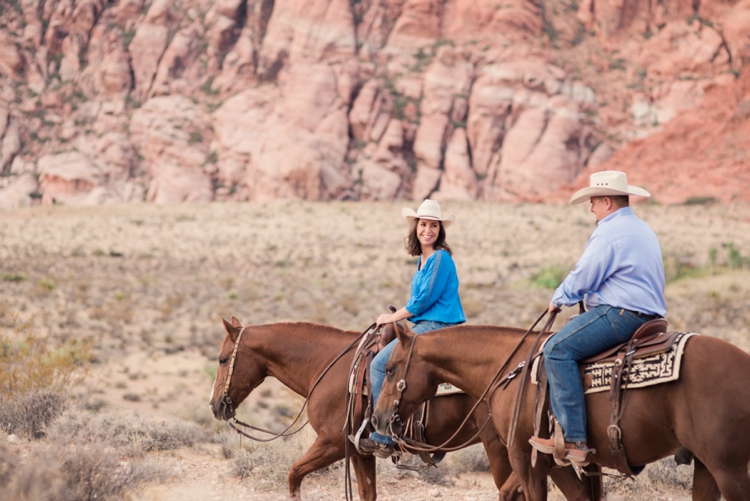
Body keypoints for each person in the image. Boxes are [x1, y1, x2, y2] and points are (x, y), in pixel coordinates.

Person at [528, 170, 667, 466]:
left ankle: (573, 437)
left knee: (556, 350)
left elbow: (584, 276)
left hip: (620, 315)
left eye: (593, 202)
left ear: (607, 201)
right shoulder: (643, 229)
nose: (591, 208)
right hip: (650, 317)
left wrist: (558, 299)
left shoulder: (609, 231)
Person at [356, 199, 466, 457]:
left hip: (435, 326)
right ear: (416, 228)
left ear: (440, 230)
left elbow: (423, 301)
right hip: (425, 323)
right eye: (424, 224)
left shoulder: (440, 259)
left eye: (434, 226)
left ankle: (383, 435)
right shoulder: (423, 260)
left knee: (379, 364)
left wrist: (391, 318)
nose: (428, 230)